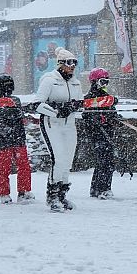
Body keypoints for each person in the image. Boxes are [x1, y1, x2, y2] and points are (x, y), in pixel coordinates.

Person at [32, 47, 83, 212]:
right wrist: (57, 110)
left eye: (75, 62)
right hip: (52, 124)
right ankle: (52, 195)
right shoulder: (49, 79)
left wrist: (74, 106)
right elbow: (37, 104)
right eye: (69, 62)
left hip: (69, 124)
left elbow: (81, 104)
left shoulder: (76, 82)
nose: (72, 66)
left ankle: (62, 194)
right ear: (60, 64)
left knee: (68, 160)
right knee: (59, 158)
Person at [0, 73, 35, 204]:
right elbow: (1, 116)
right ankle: (5, 193)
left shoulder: (14, 100)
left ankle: (22, 192)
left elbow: (17, 115)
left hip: (16, 137)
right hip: (6, 138)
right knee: (6, 167)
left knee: (22, 166)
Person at [83, 68, 120, 199]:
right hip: (97, 134)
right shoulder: (89, 99)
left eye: (106, 82)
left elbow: (112, 113)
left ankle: (97, 188)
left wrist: (114, 119)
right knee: (104, 161)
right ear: (95, 82)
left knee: (106, 161)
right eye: (102, 82)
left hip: (107, 133)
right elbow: (86, 117)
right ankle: (102, 188)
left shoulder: (107, 98)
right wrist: (97, 121)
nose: (105, 85)